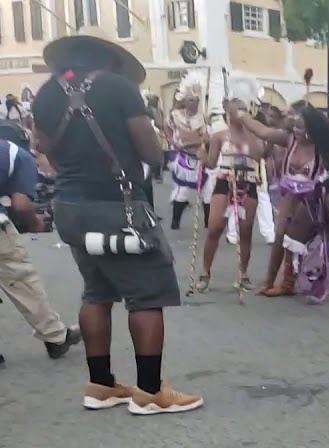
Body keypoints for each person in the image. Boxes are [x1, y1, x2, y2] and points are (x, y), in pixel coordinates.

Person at [32, 35, 202, 414]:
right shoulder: (117, 87)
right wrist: (155, 155)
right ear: (108, 61)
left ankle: (101, 385)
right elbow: (149, 151)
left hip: (70, 205)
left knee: (97, 290)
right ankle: (150, 392)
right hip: (118, 204)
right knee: (146, 294)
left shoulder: (46, 93)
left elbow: (43, 146)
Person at [233, 101, 329, 304]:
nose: (296, 130)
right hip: (290, 196)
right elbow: (263, 131)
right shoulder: (288, 139)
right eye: (295, 126)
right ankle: (279, 283)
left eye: (301, 127)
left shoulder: (326, 149)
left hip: (317, 199)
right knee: (284, 237)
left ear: (312, 130)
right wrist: (241, 115)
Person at [0, 137, 82, 363]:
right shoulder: (21, 156)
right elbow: (21, 204)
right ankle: (56, 336)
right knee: (21, 279)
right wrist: (34, 222)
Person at [194, 98, 266, 293]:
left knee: (246, 230)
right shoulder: (219, 136)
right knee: (215, 227)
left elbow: (260, 155)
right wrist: (202, 157)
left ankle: (243, 274)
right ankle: (205, 272)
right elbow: (211, 162)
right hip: (225, 181)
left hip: (248, 181)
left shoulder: (255, 135)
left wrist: (248, 132)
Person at [167, 83, 206, 229]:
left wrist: (191, 143)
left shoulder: (203, 118)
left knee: (207, 191)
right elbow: (167, 126)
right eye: (190, 100)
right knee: (182, 191)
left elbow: (206, 138)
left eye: (196, 100)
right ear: (184, 101)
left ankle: (209, 222)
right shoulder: (175, 115)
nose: (193, 103)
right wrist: (172, 139)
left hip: (199, 157)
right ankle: (175, 221)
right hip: (183, 158)